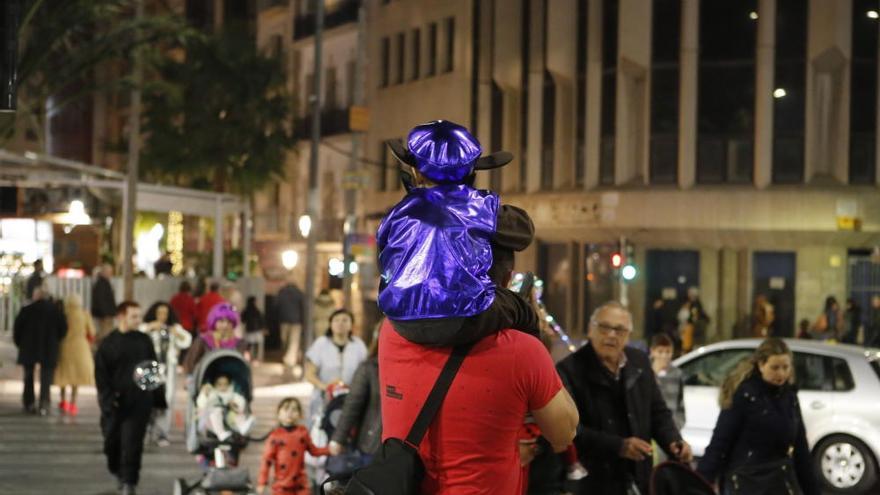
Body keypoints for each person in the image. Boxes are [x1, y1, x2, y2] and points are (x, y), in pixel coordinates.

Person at [379, 243, 579, 493]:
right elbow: (564, 432)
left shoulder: (391, 330)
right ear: (507, 279)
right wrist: (530, 331)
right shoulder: (522, 350)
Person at [378, 120, 538, 347]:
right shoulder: (478, 206)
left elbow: (384, 259)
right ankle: (529, 363)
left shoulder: (397, 212)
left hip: (401, 318)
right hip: (462, 319)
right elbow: (524, 231)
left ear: (416, 172)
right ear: (471, 171)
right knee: (524, 311)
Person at [556, 301, 692, 495]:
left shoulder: (639, 362)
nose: (612, 335)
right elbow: (570, 429)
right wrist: (619, 446)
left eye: (620, 330)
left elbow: (657, 412)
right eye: (604, 327)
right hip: (592, 481)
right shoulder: (570, 369)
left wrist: (673, 441)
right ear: (590, 330)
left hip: (638, 477)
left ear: (628, 335)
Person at [697, 338, 818, 495]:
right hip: (745, 481)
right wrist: (700, 483)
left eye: (785, 367)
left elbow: (801, 450)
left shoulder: (789, 397)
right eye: (775, 368)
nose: (781, 373)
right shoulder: (746, 395)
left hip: (779, 481)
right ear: (761, 365)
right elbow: (720, 441)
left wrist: (812, 490)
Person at [94, 301, 167, 495]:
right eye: (134, 316)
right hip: (115, 404)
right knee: (112, 444)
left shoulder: (144, 341)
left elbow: (153, 369)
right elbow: (101, 376)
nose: (138, 320)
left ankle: (129, 481)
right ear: (121, 317)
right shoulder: (108, 344)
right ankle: (118, 471)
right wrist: (108, 400)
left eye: (139, 316)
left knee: (132, 443)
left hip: (140, 402)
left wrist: (158, 399)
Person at [140, 301, 192, 446]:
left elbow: (187, 340)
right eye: (159, 313)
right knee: (147, 399)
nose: (162, 316)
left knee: (167, 400)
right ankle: (145, 430)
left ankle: (162, 433)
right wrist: (150, 327)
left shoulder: (174, 328)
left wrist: (177, 334)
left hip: (168, 369)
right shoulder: (147, 327)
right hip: (150, 368)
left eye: (165, 313)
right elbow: (137, 334)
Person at [327, 324, 382, 464]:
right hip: (372, 444)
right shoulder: (370, 367)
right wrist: (338, 438)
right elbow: (353, 404)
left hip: (401, 449)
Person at [303, 309, 368, 426]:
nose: (340, 323)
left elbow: (365, 372)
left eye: (345, 320)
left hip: (350, 399)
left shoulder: (359, 345)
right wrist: (326, 387)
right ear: (330, 324)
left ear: (351, 325)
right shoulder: (321, 343)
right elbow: (309, 374)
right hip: (323, 398)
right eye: (336, 320)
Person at [13, 285, 68, 415]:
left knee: (28, 375)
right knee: (46, 377)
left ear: (35, 296)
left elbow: (17, 329)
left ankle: (29, 402)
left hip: (28, 347)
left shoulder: (26, 310)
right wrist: (56, 341)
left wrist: (20, 343)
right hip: (49, 347)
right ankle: (44, 402)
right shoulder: (55, 311)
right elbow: (63, 329)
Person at [258, 398, 330, 495]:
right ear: (278, 413)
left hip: (301, 485)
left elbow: (314, 451)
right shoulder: (275, 436)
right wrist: (262, 482)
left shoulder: (303, 432)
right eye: (286, 409)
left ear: (300, 414)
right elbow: (266, 460)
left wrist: (330, 450)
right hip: (281, 486)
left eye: (294, 409)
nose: (290, 412)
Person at [54, 294, 95, 416]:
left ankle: (62, 400)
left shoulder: (63, 315)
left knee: (64, 374)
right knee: (76, 376)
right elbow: (92, 332)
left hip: (64, 347)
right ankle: (73, 403)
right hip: (80, 348)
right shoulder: (84, 314)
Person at [183, 303, 248, 375]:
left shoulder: (240, 343)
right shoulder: (203, 341)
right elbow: (191, 362)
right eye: (221, 321)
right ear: (214, 321)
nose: (225, 325)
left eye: (229, 322)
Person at [195, 374, 255, 442]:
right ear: (214, 385)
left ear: (229, 385)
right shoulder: (212, 394)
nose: (223, 387)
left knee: (237, 412)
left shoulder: (231, 394)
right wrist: (204, 394)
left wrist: (235, 405)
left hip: (228, 419)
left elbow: (241, 401)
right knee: (216, 411)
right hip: (212, 420)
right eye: (219, 384)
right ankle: (221, 433)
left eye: (225, 384)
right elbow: (201, 404)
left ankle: (242, 426)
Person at [650, 333, 686, 431]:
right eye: (660, 351)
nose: (664, 355)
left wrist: (677, 425)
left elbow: (681, 404)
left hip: (670, 428)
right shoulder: (645, 372)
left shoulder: (677, 374)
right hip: (648, 428)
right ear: (653, 352)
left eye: (668, 352)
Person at [275, 281, 305, 371]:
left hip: (283, 320)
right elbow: (303, 307)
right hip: (296, 321)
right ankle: (290, 360)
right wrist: (303, 321)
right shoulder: (299, 294)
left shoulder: (281, 293)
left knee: (284, 340)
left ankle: (287, 357)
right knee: (294, 341)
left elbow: (276, 306)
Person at [91, 263, 118, 342]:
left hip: (107, 314)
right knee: (105, 335)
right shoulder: (101, 284)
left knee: (106, 334)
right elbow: (101, 300)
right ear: (104, 272)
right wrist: (106, 313)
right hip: (105, 315)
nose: (111, 274)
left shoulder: (104, 283)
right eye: (109, 272)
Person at [242, 296, 267, 362]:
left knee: (248, 345)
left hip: (249, 329)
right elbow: (261, 320)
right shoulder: (257, 311)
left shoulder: (246, 310)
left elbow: (243, 320)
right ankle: (255, 359)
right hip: (256, 330)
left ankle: (247, 358)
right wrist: (263, 328)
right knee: (256, 345)